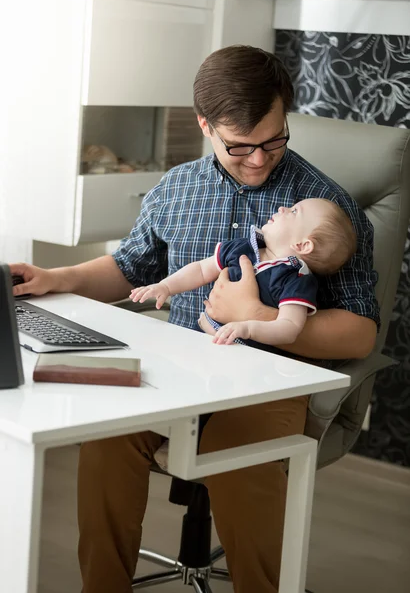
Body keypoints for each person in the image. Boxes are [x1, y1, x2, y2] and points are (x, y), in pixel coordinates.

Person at [10, 45, 379, 593]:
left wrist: (256, 314)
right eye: (240, 146)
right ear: (205, 126)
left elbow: (361, 330)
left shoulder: (323, 205)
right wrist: (56, 277)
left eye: (274, 141)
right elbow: (129, 268)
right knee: (106, 438)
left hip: (269, 380)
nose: (259, 160)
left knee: (241, 455)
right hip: (177, 368)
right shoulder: (175, 189)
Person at [129, 197, 357, 347]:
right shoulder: (243, 247)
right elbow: (201, 269)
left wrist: (248, 326)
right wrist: (166, 286)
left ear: (303, 245)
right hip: (203, 343)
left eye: (295, 211)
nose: (283, 208)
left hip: (250, 358)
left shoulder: (295, 280)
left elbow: (289, 329)